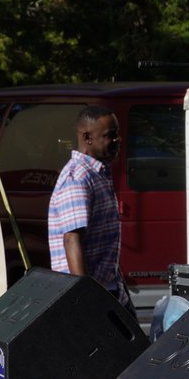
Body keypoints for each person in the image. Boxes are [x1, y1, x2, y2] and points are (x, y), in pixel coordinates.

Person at [47, 105, 132, 312]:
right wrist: (85, 299)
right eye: (109, 135)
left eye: (117, 134)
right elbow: (72, 239)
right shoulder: (78, 178)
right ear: (87, 137)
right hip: (91, 296)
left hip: (110, 288)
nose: (117, 140)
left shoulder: (97, 174)